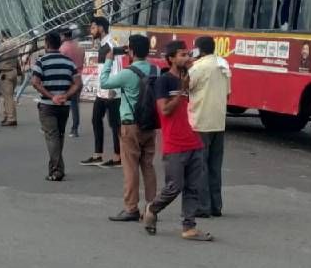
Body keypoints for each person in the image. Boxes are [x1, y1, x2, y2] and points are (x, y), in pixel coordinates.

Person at [142, 41, 212, 242]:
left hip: (194, 140)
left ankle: (189, 227)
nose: (186, 57)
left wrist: (189, 76)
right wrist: (181, 90)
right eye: (182, 54)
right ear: (171, 58)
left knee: (193, 186)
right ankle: (152, 208)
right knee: (175, 186)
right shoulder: (164, 81)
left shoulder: (188, 79)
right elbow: (164, 110)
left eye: (187, 54)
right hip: (175, 143)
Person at [98, 34, 159, 221]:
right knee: (148, 166)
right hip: (150, 124)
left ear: (130, 51)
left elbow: (104, 82)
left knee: (130, 167)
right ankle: (152, 206)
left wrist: (108, 61)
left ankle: (131, 207)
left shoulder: (127, 73)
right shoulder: (155, 70)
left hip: (130, 124)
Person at [188, 36, 231, 217]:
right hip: (218, 122)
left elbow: (187, 88)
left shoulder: (198, 67)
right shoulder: (223, 65)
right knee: (215, 166)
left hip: (201, 122)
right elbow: (228, 93)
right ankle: (216, 205)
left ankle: (203, 206)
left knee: (200, 166)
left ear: (199, 50)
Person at [30, 31, 80, 182]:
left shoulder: (41, 61)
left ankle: (57, 170)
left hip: (47, 105)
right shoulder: (69, 62)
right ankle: (55, 168)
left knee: (52, 137)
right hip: (64, 105)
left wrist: (52, 96)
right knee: (59, 136)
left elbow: (35, 82)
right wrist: (65, 95)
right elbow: (78, 83)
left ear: (46, 44)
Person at [88, 16, 122, 167]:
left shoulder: (110, 44)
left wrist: (112, 90)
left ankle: (117, 157)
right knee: (96, 119)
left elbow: (116, 67)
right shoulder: (103, 44)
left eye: (93, 27)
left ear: (101, 28)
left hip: (111, 92)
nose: (91, 30)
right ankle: (97, 154)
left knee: (115, 125)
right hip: (101, 92)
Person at [58, 27, 85, 138]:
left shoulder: (62, 49)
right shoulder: (79, 46)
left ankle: (59, 127)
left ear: (63, 36)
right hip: (79, 78)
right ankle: (75, 128)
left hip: (67, 79)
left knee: (61, 104)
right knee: (75, 106)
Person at [0, 29, 22, 126]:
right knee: (8, 96)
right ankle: (7, 115)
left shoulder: (5, 44)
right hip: (13, 70)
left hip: (5, 72)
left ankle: (11, 118)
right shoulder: (15, 43)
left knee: (8, 97)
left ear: (2, 35)